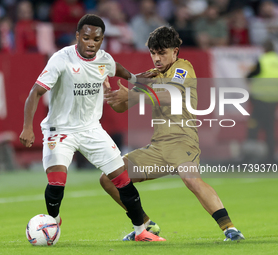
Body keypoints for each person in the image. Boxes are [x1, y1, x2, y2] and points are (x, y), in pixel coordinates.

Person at [19, 14, 165, 242]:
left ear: (102, 40)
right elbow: (35, 92)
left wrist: (136, 79)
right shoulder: (61, 59)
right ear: (78, 36)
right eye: (86, 38)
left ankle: (141, 231)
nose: (91, 43)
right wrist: (28, 127)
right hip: (60, 130)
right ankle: (54, 222)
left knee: (123, 180)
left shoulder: (104, 60)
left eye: (96, 39)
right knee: (57, 182)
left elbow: (116, 68)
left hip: (90, 129)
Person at [100, 25, 245, 241]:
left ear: (175, 51)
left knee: (191, 179)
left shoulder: (182, 67)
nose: (157, 58)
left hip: (182, 141)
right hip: (157, 147)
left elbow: (172, 93)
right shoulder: (150, 76)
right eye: (153, 53)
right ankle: (147, 226)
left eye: (162, 52)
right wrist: (112, 96)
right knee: (109, 179)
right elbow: (122, 107)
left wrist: (135, 94)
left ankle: (230, 229)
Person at [245, 39, 278, 163]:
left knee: (253, 126)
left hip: (259, 99)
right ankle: (270, 157)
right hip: (273, 100)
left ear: (264, 49)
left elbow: (250, 75)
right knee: (269, 128)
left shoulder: (262, 60)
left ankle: (250, 157)